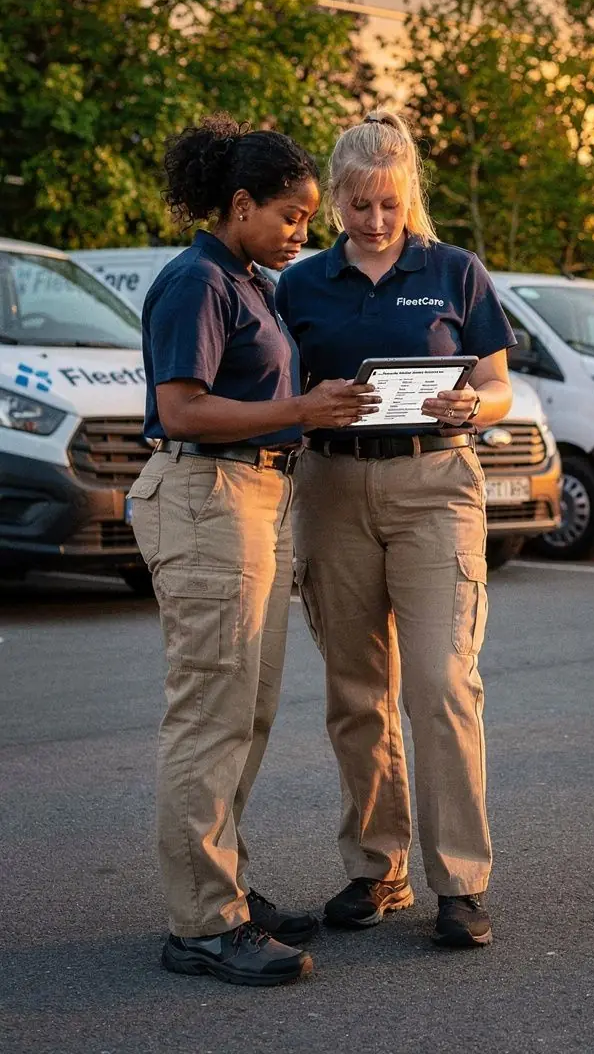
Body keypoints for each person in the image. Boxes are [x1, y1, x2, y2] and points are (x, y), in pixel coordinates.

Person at [128, 113, 378, 987]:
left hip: (256, 500)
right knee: (209, 715)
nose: (302, 233)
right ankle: (202, 923)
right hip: (206, 497)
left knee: (250, 711)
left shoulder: (246, 278)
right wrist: (303, 410)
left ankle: (223, 886)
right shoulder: (197, 281)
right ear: (240, 205)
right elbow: (183, 409)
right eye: (291, 216)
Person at [276, 110, 515, 950]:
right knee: (355, 691)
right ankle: (379, 870)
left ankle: (461, 883)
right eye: (358, 205)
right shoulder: (299, 284)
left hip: (435, 484)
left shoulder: (454, 271)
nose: (375, 222)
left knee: (443, 686)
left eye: (389, 204)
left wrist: (472, 407)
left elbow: (497, 387)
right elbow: (280, 389)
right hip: (332, 486)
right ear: (335, 198)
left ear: (409, 193)